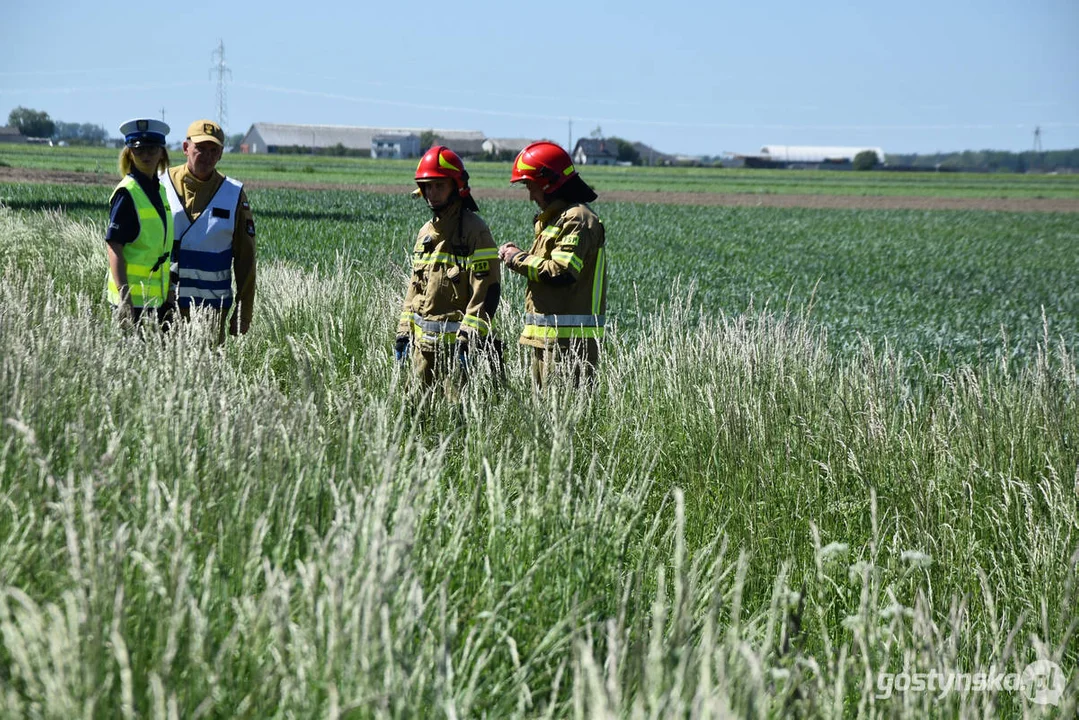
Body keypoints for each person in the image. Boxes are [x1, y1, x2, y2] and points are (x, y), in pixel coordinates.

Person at [498, 142, 607, 388]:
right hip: (550, 341)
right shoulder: (558, 219)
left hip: (568, 346)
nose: (531, 196)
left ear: (549, 183)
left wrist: (516, 258)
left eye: (531, 186)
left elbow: (561, 272)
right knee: (545, 422)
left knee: (564, 421)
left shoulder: (577, 219)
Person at [396, 146, 501, 389]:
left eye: (439, 185)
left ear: (456, 186)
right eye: (428, 186)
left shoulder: (475, 232)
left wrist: (469, 339)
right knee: (416, 414)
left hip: (458, 354)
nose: (432, 193)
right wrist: (404, 331)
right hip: (422, 354)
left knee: (455, 420)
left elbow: (486, 291)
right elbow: (415, 288)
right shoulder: (425, 234)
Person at [162, 119, 256, 342]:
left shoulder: (233, 193)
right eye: (200, 149)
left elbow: (246, 258)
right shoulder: (161, 184)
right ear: (186, 148)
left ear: (221, 154)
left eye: (214, 150)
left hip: (211, 310)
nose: (207, 156)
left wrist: (244, 312)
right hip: (165, 304)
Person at [105, 118, 174, 328]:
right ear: (129, 153)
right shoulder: (128, 193)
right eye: (138, 150)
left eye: (152, 149)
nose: (145, 155)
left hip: (157, 301)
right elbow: (114, 246)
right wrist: (124, 299)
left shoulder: (159, 190)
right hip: (132, 304)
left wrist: (169, 292)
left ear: (162, 152)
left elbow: (160, 248)